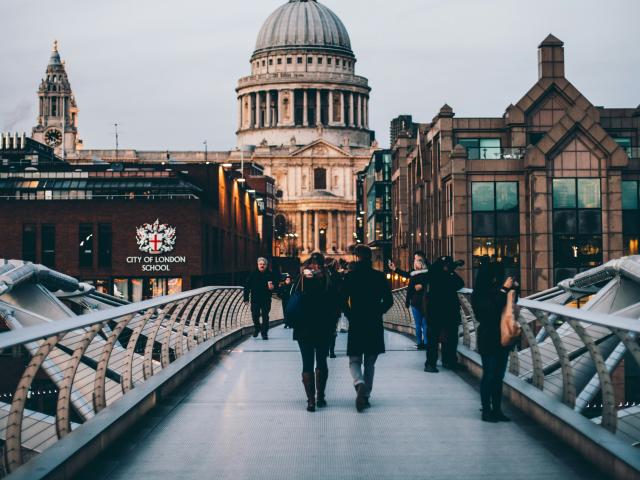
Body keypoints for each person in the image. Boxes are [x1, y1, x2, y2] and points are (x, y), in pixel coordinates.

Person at [341, 245, 393, 412]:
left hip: (357, 322)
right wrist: (378, 311)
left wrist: (350, 314)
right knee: (370, 362)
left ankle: (359, 383)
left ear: (357, 258)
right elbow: (389, 301)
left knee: (354, 360)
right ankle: (366, 396)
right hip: (374, 322)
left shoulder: (350, 277)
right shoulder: (379, 277)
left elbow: (341, 300)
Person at [472, 260, 517, 422]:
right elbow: (488, 311)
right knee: (489, 375)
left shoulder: (497, 290)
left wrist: (512, 290)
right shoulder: (479, 293)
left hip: (502, 338)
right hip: (488, 337)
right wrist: (504, 289)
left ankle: (497, 409)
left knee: (499, 376)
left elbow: (508, 308)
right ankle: (486, 410)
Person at [293, 253, 338, 412]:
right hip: (323, 327)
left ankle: (310, 401)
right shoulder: (328, 279)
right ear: (322, 264)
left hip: (303, 327)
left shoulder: (301, 279)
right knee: (321, 361)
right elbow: (335, 304)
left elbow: (290, 298)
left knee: (307, 362)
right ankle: (320, 397)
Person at [424, 256, 464, 373]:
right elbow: (458, 283)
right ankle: (434, 363)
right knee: (436, 339)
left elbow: (460, 283)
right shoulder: (435, 274)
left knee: (448, 338)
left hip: (444, 312)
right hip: (440, 311)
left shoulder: (441, 274)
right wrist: (450, 272)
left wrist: (450, 271)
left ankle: (444, 361)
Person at [243, 257, 276, 340]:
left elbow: (276, 286)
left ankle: (264, 333)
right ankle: (257, 328)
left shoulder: (270, 274)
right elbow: (247, 287)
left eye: (264, 264)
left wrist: (273, 288)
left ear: (266, 265)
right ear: (257, 265)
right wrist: (246, 299)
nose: (262, 266)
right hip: (255, 299)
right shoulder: (253, 274)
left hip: (266, 299)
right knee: (255, 315)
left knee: (265, 316)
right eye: (260, 264)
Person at [405, 256, 429, 349]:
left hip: (415, 302)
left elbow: (409, 290)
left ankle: (419, 343)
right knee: (425, 324)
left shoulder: (413, 276)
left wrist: (407, 302)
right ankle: (426, 343)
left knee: (418, 324)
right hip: (426, 302)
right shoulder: (428, 275)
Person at [325, 258, 343, 358]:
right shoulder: (337, 275)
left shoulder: (321, 275)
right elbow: (341, 292)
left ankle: (325, 349)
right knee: (332, 329)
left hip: (323, 307)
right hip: (334, 307)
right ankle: (331, 351)